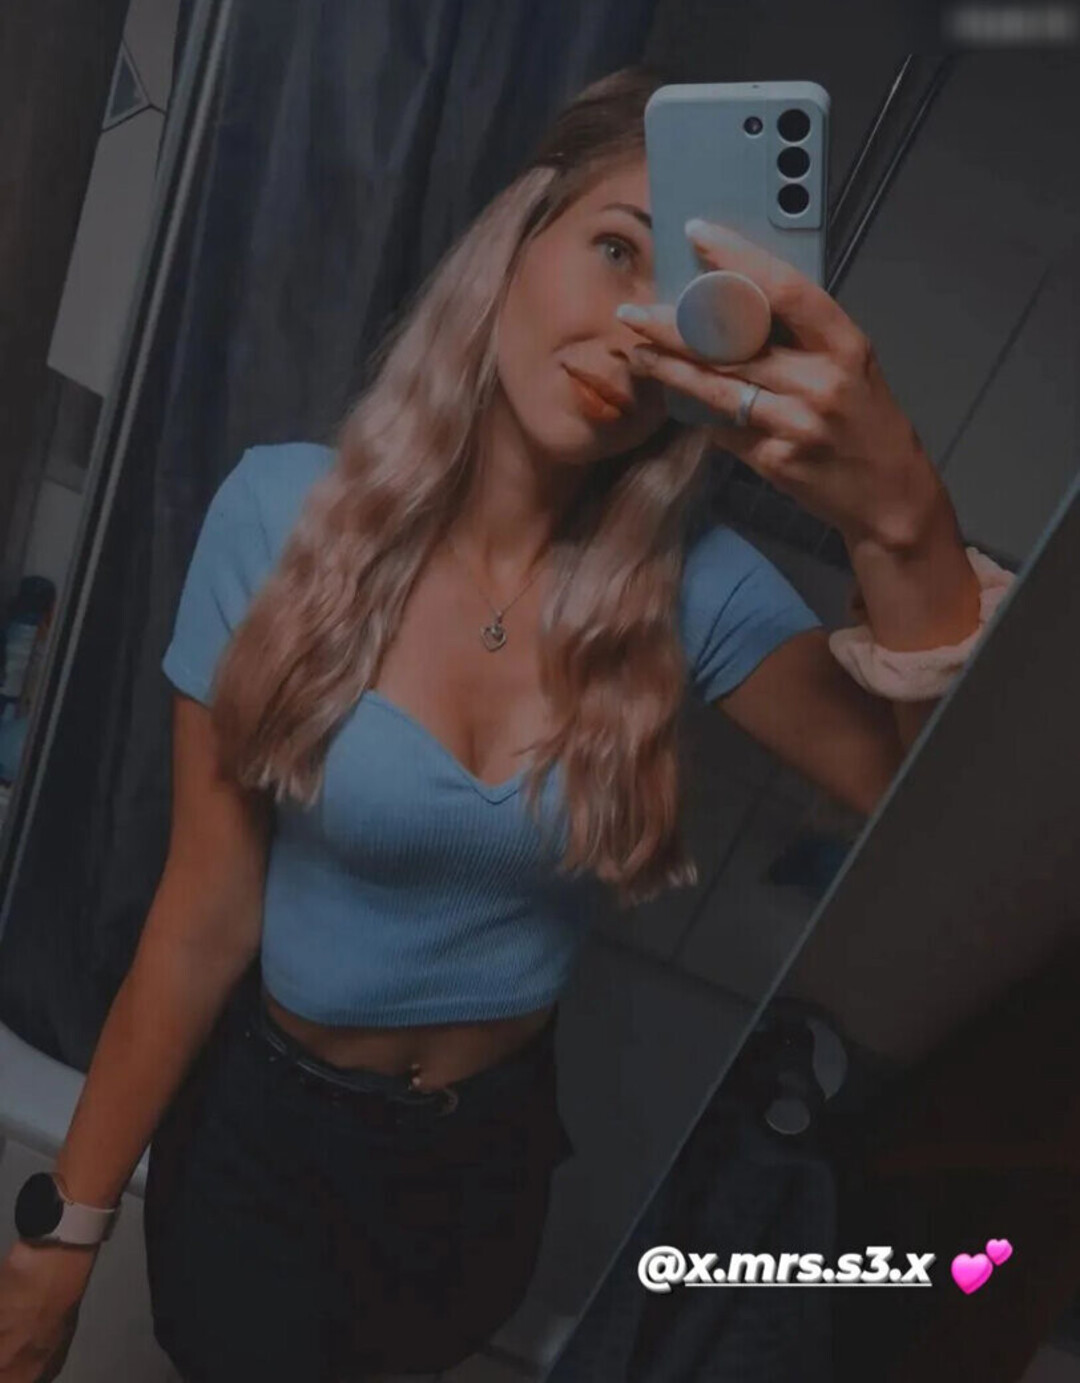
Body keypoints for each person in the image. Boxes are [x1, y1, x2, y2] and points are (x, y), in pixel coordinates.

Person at [0, 62, 1008, 1383]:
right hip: (267, 1142)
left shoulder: (698, 589)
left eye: (684, 300)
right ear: (515, 242)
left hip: (482, 1168)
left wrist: (900, 512)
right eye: (615, 250)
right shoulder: (282, 517)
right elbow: (200, 918)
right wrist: (63, 1237)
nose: (634, 329)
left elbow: (938, 835)